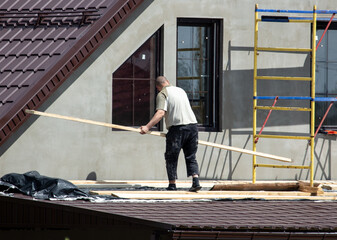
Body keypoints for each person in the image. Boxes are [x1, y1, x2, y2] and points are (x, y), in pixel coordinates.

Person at [140, 76, 202, 192]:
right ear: (168, 82)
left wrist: (147, 127)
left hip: (177, 129)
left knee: (171, 157)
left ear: (158, 87)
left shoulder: (163, 93)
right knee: (191, 156)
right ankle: (196, 181)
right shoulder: (181, 90)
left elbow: (160, 113)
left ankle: (172, 185)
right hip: (193, 126)